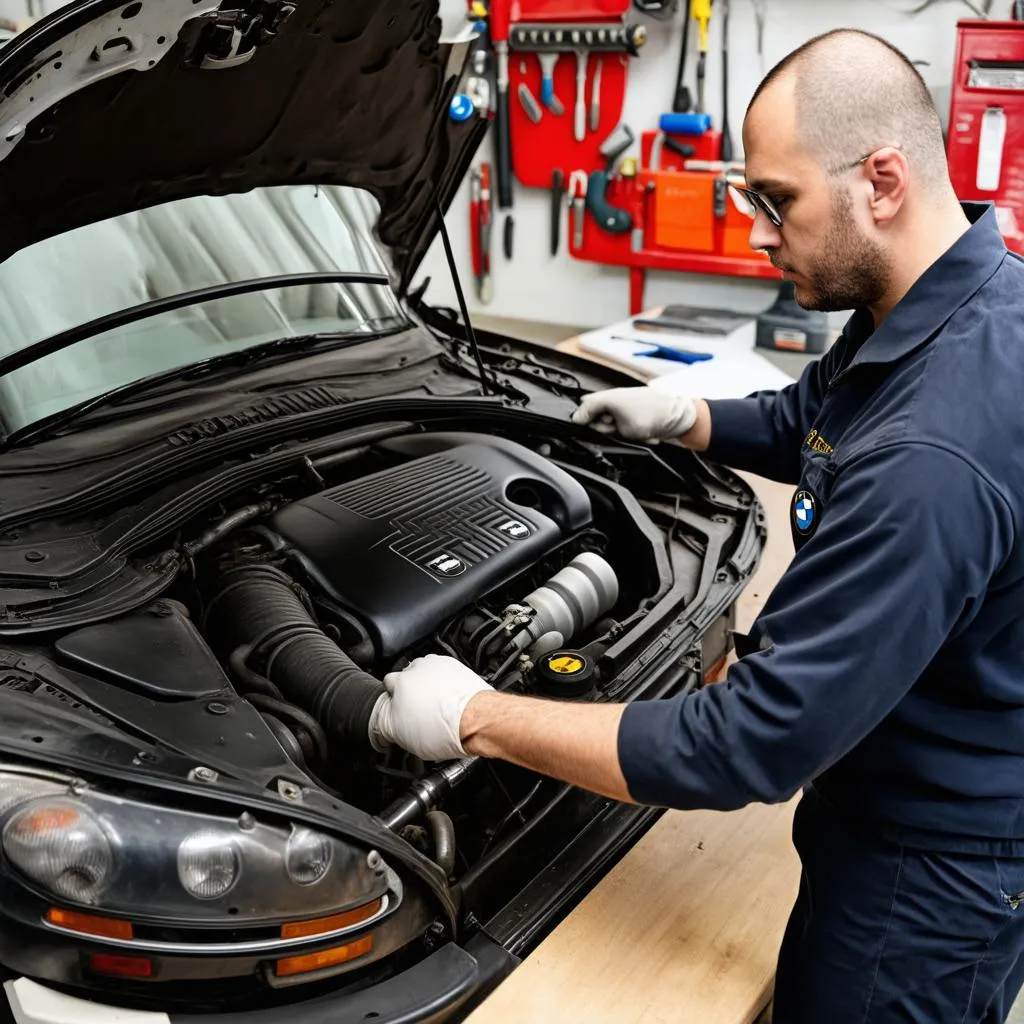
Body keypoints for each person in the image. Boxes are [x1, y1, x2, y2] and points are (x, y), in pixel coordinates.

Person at [369, 27, 1024, 1023]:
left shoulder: (931, 456)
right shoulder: (953, 298)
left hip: (923, 872)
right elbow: (818, 418)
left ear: (881, 181)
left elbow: (749, 745)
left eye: (776, 200)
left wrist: (476, 718)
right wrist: (690, 417)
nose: (759, 231)